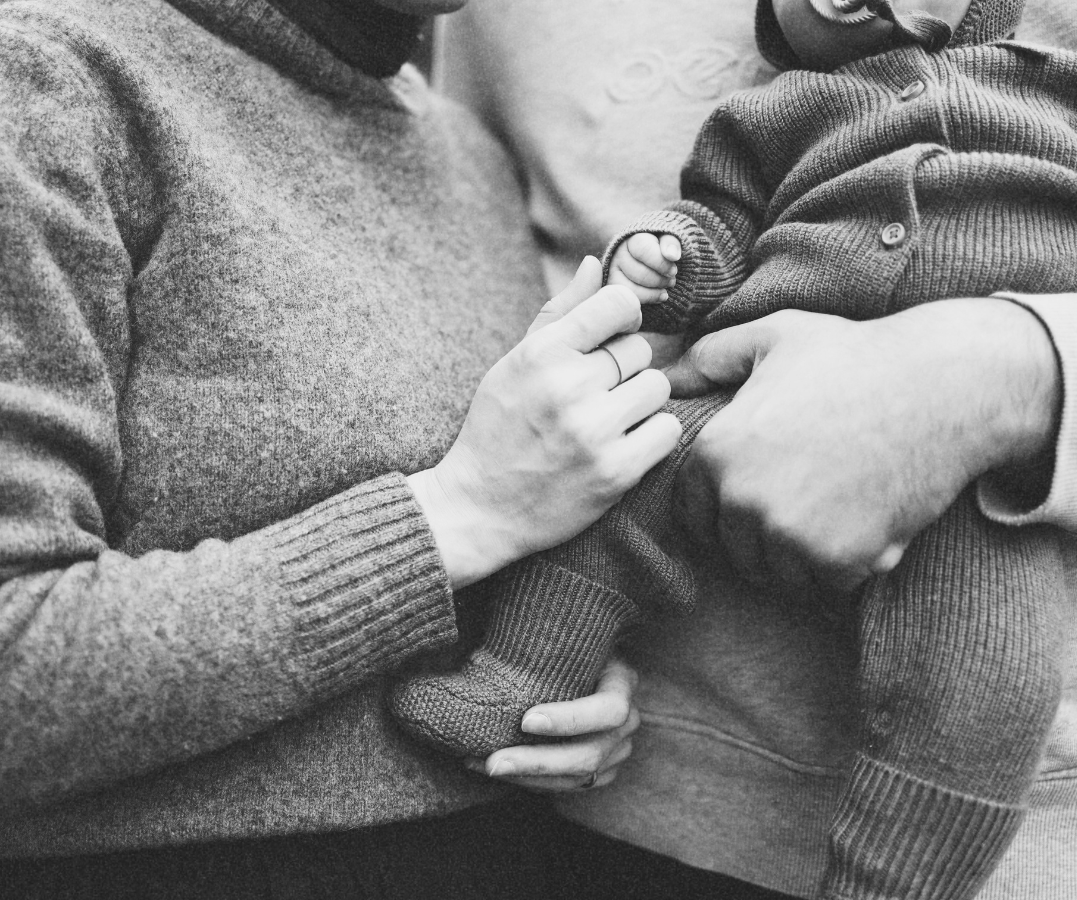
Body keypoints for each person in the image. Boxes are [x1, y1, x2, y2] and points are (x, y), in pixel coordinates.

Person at [396, 1, 1077, 897]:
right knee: (617, 505)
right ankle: (517, 679)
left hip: (1016, 596)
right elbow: (706, 221)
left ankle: (893, 881)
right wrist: (667, 258)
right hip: (622, 785)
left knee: (982, 680)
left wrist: (1023, 370)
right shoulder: (777, 112)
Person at [0, 0, 680, 895]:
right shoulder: (48, 78)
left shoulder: (467, 155)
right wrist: (456, 515)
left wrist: (553, 679)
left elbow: (502, 547)